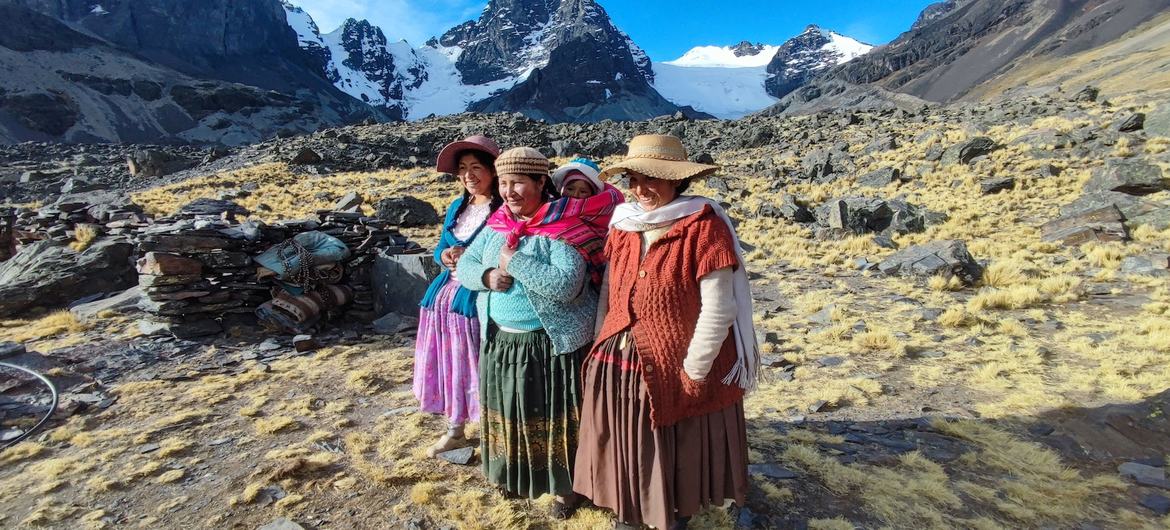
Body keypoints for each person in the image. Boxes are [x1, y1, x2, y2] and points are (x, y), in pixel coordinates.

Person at [573, 135, 760, 530]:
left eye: (654, 179)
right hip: (618, 354)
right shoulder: (624, 224)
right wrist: (599, 337)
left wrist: (696, 368)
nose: (642, 189)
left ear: (678, 181)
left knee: (675, 444)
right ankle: (628, 507)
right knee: (626, 440)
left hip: (677, 358)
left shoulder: (704, 227)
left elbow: (719, 306)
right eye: (635, 179)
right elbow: (611, 287)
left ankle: (674, 512)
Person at [457, 147, 597, 518]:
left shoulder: (562, 228)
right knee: (507, 412)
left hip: (548, 343)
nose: (509, 191)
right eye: (503, 182)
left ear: (540, 182)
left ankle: (569, 488)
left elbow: (567, 285)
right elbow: (466, 265)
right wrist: (487, 276)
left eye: (518, 182)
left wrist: (514, 261)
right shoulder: (497, 225)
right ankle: (511, 474)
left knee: (558, 419)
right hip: (501, 340)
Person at [413, 135, 502, 457]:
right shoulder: (456, 207)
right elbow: (439, 247)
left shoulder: (503, 208)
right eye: (463, 169)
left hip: (475, 299)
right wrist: (445, 256)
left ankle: (494, 431)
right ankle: (455, 429)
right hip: (443, 299)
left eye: (476, 167)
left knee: (478, 364)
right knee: (452, 363)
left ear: (493, 171)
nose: (469, 175)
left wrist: (473, 261)